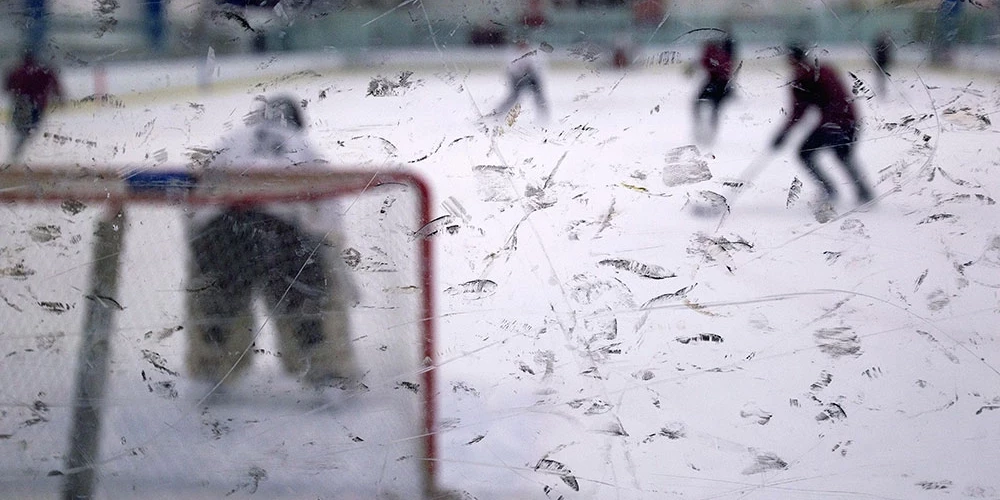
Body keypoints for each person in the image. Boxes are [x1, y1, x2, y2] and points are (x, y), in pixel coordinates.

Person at [184, 94, 361, 390]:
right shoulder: (302, 145)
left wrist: (203, 255)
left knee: (217, 304)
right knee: (310, 304)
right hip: (283, 234)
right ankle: (324, 370)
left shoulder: (232, 138)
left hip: (223, 230)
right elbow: (326, 214)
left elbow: (197, 200)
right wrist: (329, 256)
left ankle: (211, 369)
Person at [771, 45, 873, 205]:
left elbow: (798, 111)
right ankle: (863, 192)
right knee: (843, 155)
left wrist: (783, 134)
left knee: (805, 153)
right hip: (850, 120)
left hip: (834, 122)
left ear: (791, 60)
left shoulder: (802, 79)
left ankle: (831, 190)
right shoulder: (824, 70)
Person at [3, 50, 64, 162]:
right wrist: (60, 96)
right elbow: (54, 84)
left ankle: (16, 149)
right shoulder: (42, 71)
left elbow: (7, 87)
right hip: (37, 104)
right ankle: (17, 149)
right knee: (30, 128)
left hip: (22, 103)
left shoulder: (17, 71)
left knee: (21, 128)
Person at [489, 39, 549, 122]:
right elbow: (511, 68)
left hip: (531, 78)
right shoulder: (512, 54)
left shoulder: (534, 53)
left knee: (539, 96)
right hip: (518, 78)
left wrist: (530, 71)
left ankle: (544, 116)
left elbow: (538, 66)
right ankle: (498, 114)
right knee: (513, 98)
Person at [692, 33, 737, 144]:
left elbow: (707, 64)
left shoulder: (714, 55)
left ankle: (707, 131)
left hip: (718, 83)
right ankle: (708, 131)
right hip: (718, 83)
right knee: (713, 109)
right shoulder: (718, 55)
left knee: (708, 107)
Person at [872, 31, 894, 97]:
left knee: (881, 78)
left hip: (882, 63)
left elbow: (887, 54)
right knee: (880, 78)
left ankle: (881, 90)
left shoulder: (883, 44)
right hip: (880, 63)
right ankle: (880, 90)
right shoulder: (880, 44)